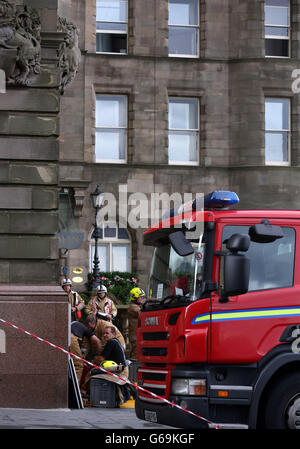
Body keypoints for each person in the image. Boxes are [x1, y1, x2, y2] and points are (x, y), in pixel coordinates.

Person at [127, 287, 145, 359]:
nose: (142, 299)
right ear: (135, 298)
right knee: (136, 352)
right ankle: (134, 368)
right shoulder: (133, 308)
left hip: (137, 333)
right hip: (135, 334)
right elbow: (142, 313)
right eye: (141, 297)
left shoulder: (137, 306)